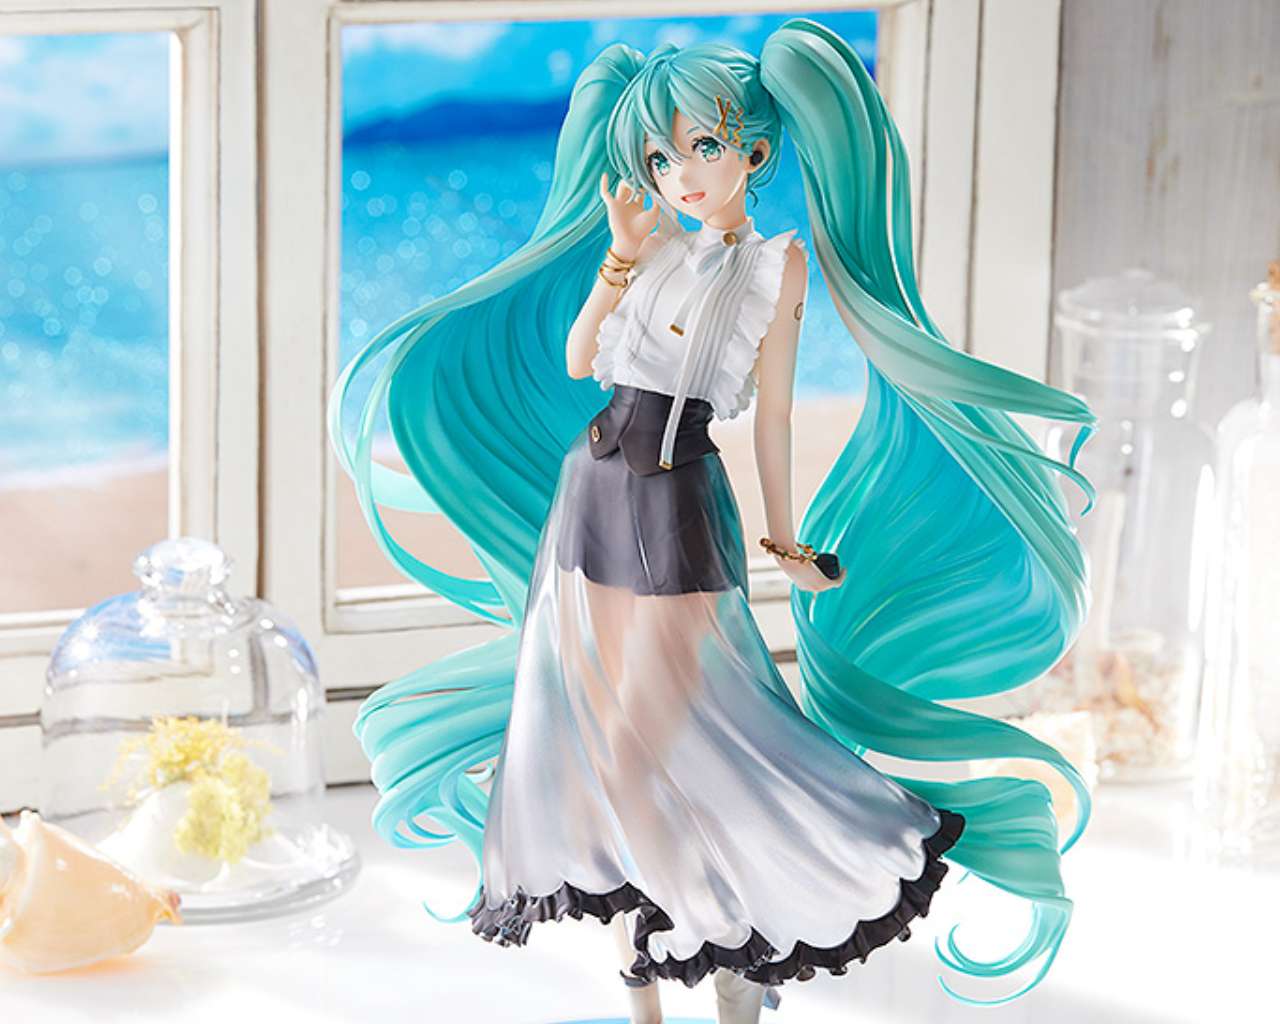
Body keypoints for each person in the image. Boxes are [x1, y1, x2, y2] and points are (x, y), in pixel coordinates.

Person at [329, 19, 1098, 1024]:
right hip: (587, 495)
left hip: (673, 500)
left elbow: (772, 415)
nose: (682, 174)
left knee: (685, 737)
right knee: (599, 746)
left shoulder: (775, 267)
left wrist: (783, 537)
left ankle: (739, 945)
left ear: (755, 153)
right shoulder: (647, 251)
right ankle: (649, 990)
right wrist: (615, 259)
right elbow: (577, 362)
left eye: (702, 146)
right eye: (661, 156)